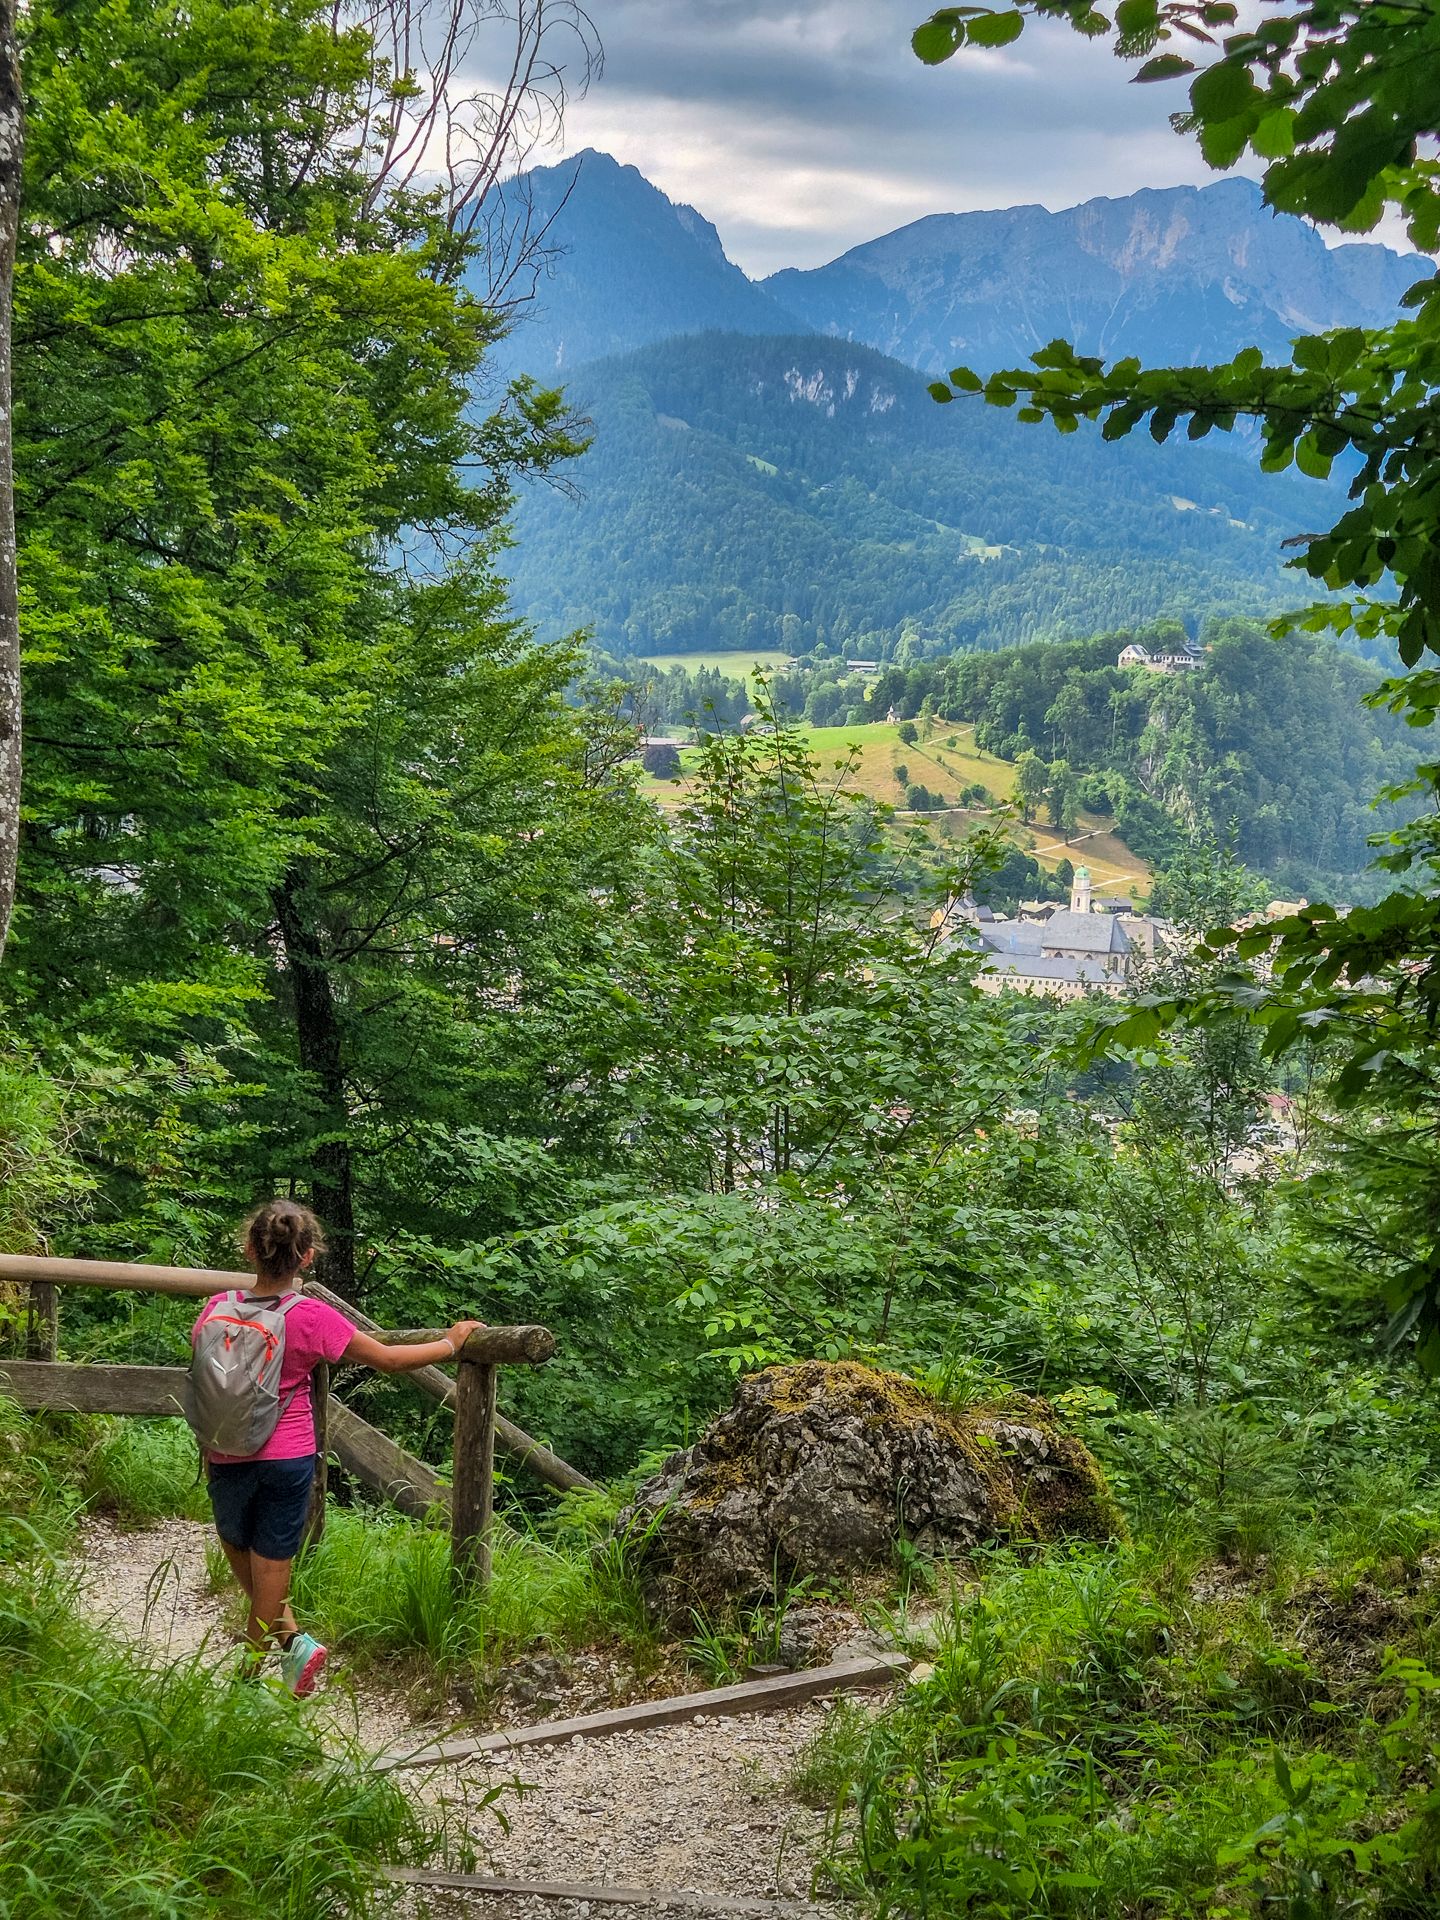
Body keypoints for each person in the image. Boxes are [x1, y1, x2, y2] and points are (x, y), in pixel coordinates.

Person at [192, 1198, 483, 1695]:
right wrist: (452, 1343)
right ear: (307, 1257)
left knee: (243, 1557)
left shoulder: (217, 1307)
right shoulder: (312, 1316)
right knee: (272, 1568)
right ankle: (254, 1674)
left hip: (223, 1450)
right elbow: (389, 1359)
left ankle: (280, 1656)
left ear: (249, 1249)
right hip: (286, 1456)